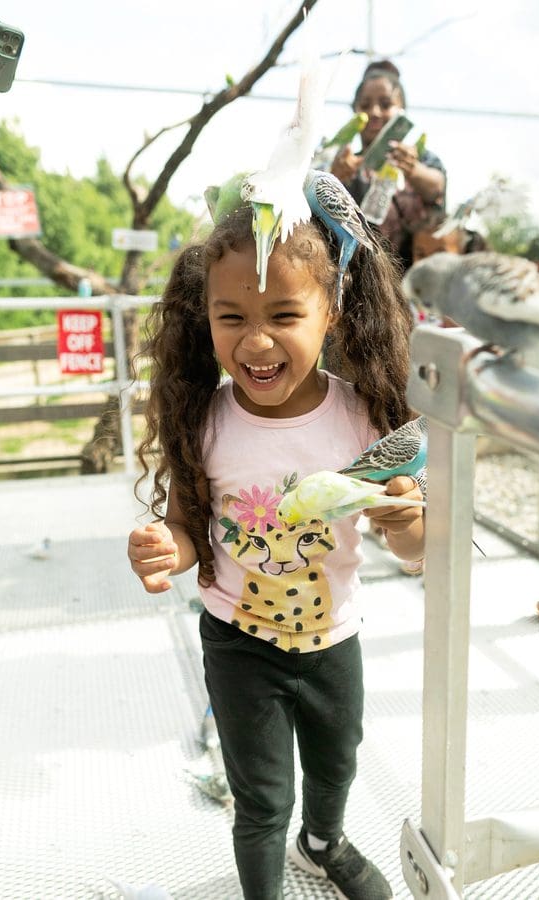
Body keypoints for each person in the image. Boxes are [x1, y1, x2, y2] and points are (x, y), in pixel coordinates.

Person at [127, 204, 425, 900]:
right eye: (231, 317)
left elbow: (413, 547)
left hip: (333, 639)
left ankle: (324, 844)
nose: (256, 342)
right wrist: (160, 549)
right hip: (239, 642)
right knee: (260, 798)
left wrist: (403, 516)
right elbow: (185, 529)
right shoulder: (203, 420)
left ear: (333, 313)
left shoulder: (365, 419)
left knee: (335, 768)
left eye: (284, 315)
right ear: (205, 318)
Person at [330, 59, 446, 271]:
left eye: (385, 104)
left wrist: (412, 169)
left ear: (402, 109)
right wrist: (332, 179)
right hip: (356, 285)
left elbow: (436, 186)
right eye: (365, 105)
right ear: (355, 111)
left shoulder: (421, 160)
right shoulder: (343, 164)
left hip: (412, 285)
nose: (374, 112)